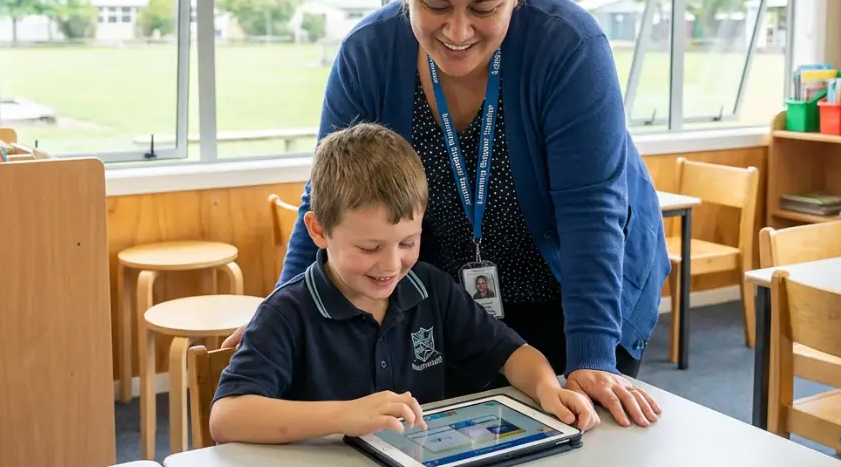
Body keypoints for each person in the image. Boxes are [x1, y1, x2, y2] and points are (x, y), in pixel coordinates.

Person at [226, 0, 670, 428]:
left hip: (577, 286)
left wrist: (593, 358)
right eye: (433, 5)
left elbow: (591, 214)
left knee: (579, 432)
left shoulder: (568, 47)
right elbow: (326, 199)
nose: (457, 31)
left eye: (485, 8)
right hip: (453, 303)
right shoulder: (369, 54)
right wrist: (285, 310)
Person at [209, 123, 599, 444]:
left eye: (408, 243)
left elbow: (515, 354)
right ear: (318, 230)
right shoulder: (286, 314)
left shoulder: (430, 287)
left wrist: (548, 388)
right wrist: (346, 414)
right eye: (369, 247)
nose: (391, 265)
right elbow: (228, 417)